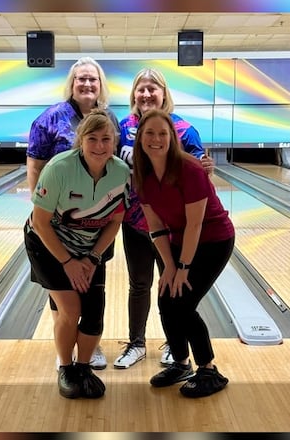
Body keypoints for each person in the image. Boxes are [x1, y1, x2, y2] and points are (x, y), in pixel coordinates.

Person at [23, 110, 129, 399]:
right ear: (80, 140)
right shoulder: (59, 168)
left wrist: (93, 257)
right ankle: (66, 368)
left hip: (91, 247)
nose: (99, 146)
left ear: (115, 141)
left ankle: (83, 368)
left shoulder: (121, 172)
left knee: (94, 314)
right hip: (47, 245)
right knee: (70, 310)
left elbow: (115, 221)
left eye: (106, 139)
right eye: (92, 138)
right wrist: (68, 262)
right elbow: (41, 223)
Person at [113, 68, 214, 369]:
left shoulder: (184, 130)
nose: (146, 94)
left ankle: (174, 344)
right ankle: (136, 343)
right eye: (141, 89)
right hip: (134, 220)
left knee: (171, 285)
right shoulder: (121, 128)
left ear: (163, 93)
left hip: (171, 227)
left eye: (152, 88)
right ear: (134, 94)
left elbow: (200, 176)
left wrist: (207, 169)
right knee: (139, 284)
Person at [131, 109, 234, 398]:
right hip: (179, 239)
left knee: (184, 303)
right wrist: (168, 266)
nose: (156, 139)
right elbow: (155, 227)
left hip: (213, 240)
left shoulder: (189, 169)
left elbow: (195, 224)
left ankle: (209, 370)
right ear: (140, 138)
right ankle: (181, 363)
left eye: (162, 133)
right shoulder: (142, 176)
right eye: (149, 133)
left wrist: (184, 268)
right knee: (166, 299)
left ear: (172, 138)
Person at [26, 57, 119, 370]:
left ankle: (89, 345)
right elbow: (35, 166)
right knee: (63, 292)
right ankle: (64, 346)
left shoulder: (109, 118)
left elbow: (114, 166)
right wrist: (41, 208)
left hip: (95, 221)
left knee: (90, 289)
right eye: (81, 78)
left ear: (100, 84)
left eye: (93, 79)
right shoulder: (50, 118)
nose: (87, 84)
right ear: (72, 83)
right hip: (58, 220)